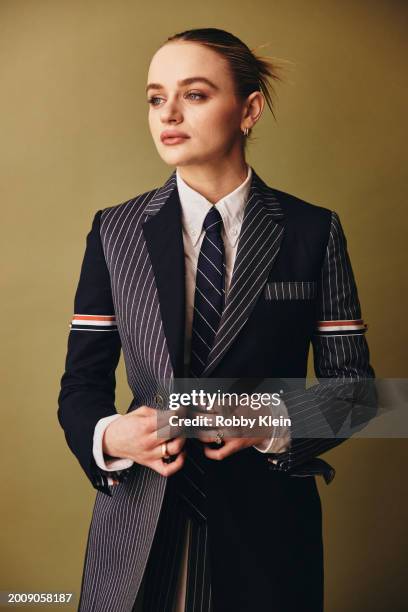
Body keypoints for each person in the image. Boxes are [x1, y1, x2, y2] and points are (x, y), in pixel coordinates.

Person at [57, 27, 376, 612]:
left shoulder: (313, 230)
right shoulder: (114, 231)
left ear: (249, 109)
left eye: (195, 95)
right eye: (156, 98)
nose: (169, 114)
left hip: (267, 535)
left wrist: (270, 420)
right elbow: (81, 386)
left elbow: (357, 393)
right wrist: (111, 435)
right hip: (137, 528)